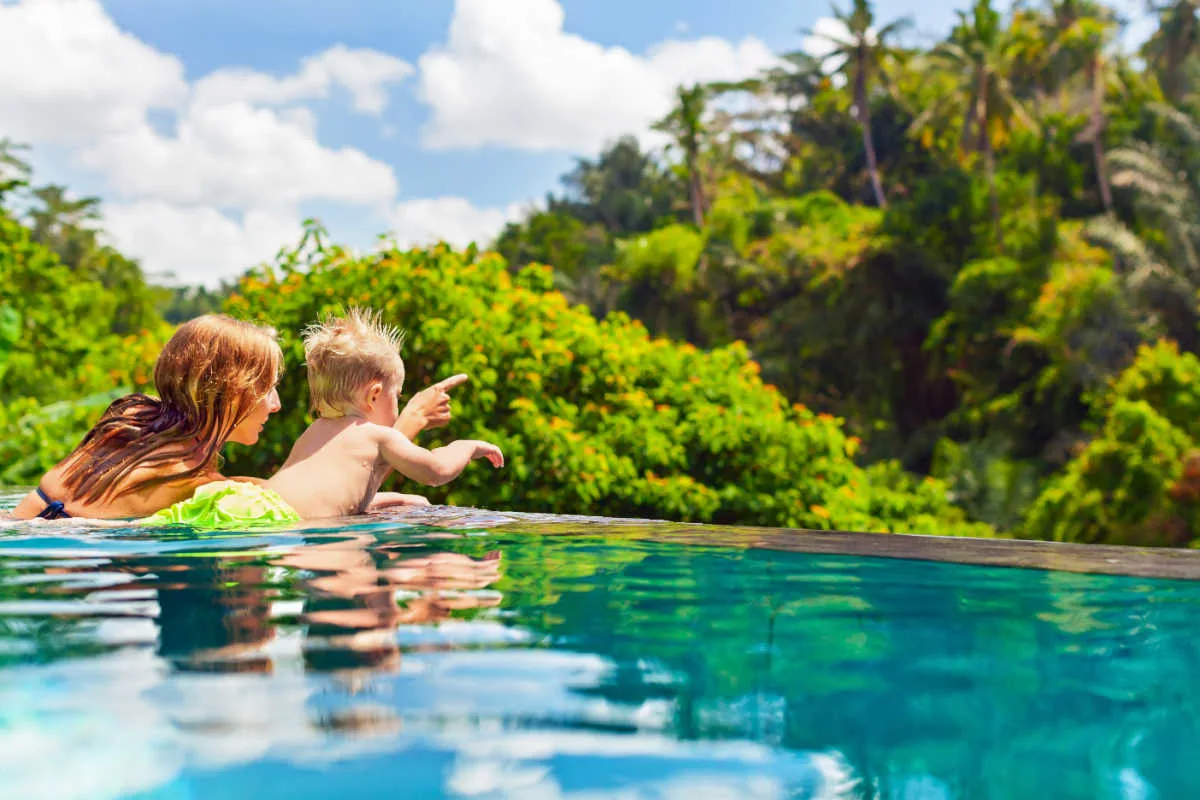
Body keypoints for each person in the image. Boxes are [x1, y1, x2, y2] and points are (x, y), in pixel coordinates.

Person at [9, 313, 464, 521]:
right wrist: (408, 423)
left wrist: (374, 495)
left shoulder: (140, 429)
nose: (276, 405)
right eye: (267, 389)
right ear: (231, 392)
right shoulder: (182, 473)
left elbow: (283, 495)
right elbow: (296, 507)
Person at [263, 308, 503, 519]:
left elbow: (330, 498)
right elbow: (436, 471)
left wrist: (397, 498)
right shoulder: (377, 436)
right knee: (357, 569)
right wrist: (466, 447)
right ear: (373, 396)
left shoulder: (313, 433)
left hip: (267, 510)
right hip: (305, 528)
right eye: (396, 396)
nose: (398, 406)